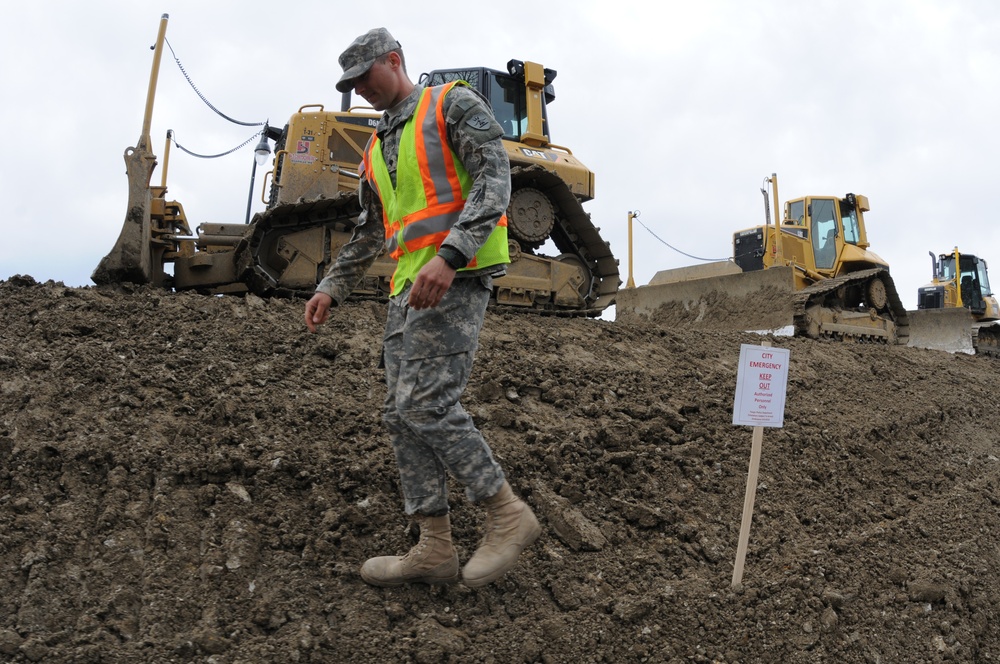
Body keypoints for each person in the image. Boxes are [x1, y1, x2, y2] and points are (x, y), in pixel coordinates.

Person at [304, 27, 541, 589]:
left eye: (367, 75)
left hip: (455, 275)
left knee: (427, 401)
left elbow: (494, 176)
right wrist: (331, 285)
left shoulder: (450, 103)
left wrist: (452, 255)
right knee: (398, 410)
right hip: (409, 288)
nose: (360, 89)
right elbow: (371, 232)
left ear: (395, 60)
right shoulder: (375, 148)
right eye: (351, 83)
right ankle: (434, 546)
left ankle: (507, 514)